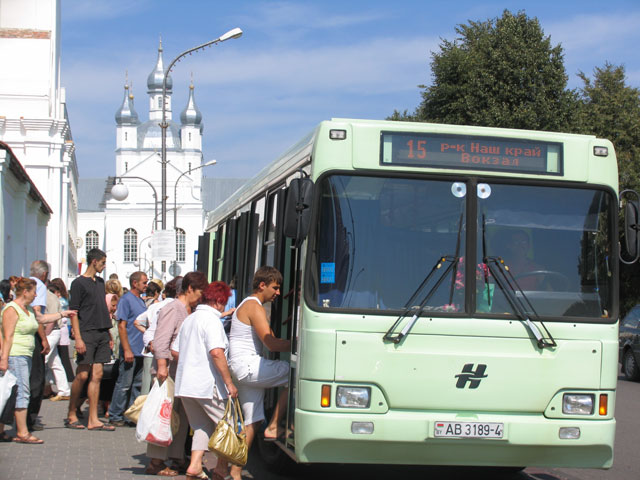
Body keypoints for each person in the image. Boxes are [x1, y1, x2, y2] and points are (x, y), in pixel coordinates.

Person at [228, 266, 290, 480]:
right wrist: (301, 344)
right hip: (249, 366)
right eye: (275, 287)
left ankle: (234, 472)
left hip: (240, 369)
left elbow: (270, 338)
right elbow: (271, 344)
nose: (278, 293)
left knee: (251, 422)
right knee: (296, 374)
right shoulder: (254, 306)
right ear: (262, 285)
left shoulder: (247, 305)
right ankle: (274, 426)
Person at [172, 281, 238, 480]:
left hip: (186, 385)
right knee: (229, 426)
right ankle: (221, 469)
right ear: (218, 301)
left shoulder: (190, 319)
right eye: (224, 302)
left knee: (201, 426)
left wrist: (191, 360)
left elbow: (175, 350)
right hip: (206, 385)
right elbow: (217, 353)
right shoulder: (212, 321)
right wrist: (229, 383)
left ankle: (194, 465)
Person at [145, 271, 207, 476]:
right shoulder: (173, 308)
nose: (201, 296)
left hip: (179, 372)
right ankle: (156, 461)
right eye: (199, 292)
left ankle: (175, 457)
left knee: (177, 418)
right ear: (189, 289)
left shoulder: (187, 309)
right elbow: (161, 340)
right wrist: (162, 366)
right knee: (164, 416)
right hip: (168, 372)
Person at [0, 277, 75, 443]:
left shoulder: (28, 310)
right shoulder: (12, 310)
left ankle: (8, 429)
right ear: (25, 292)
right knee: (22, 392)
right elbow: (7, 336)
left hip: (25, 354)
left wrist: (63, 313)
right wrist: (4, 358)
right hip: (15, 354)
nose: (36, 295)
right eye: (34, 292)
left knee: (14, 392)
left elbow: (42, 319)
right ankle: (22, 432)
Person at [66, 248, 115, 431]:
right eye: (102, 262)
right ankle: (72, 411)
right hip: (86, 332)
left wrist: (108, 333)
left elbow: (101, 307)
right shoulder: (78, 283)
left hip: (102, 331)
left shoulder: (100, 282)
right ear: (94, 262)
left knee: (98, 375)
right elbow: (74, 312)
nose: (104, 265)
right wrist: (78, 338)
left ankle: (93, 418)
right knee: (83, 374)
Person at [108, 271, 148, 426]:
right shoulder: (126, 300)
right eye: (144, 282)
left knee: (137, 384)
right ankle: (115, 414)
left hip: (141, 349)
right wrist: (127, 349)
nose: (146, 285)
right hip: (130, 348)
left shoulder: (140, 301)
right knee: (124, 383)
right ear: (135, 283)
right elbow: (122, 326)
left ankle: (130, 414)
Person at [134, 277, 180, 396]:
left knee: (147, 387)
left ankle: (143, 409)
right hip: (166, 357)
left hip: (151, 352)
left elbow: (137, 322)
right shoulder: (175, 307)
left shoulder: (156, 306)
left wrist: (151, 342)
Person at [27, 260, 53, 431]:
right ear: (44, 275)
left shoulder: (24, 283)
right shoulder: (39, 287)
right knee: (36, 378)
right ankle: (30, 417)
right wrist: (44, 339)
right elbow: (38, 315)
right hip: (34, 335)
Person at [44, 283, 70, 401]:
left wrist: (44, 336)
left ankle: (39, 389)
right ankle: (64, 390)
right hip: (51, 331)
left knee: (42, 359)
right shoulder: (47, 296)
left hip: (52, 332)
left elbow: (52, 319)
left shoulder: (50, 297)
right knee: (55, 363)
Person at [49, 278, 74, 382]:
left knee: (61, 354)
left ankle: (68, 376)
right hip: (65, 324)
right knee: (60, 356)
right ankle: (68, 376)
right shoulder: (66, 298)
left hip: (61, 324)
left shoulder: (58, 299)